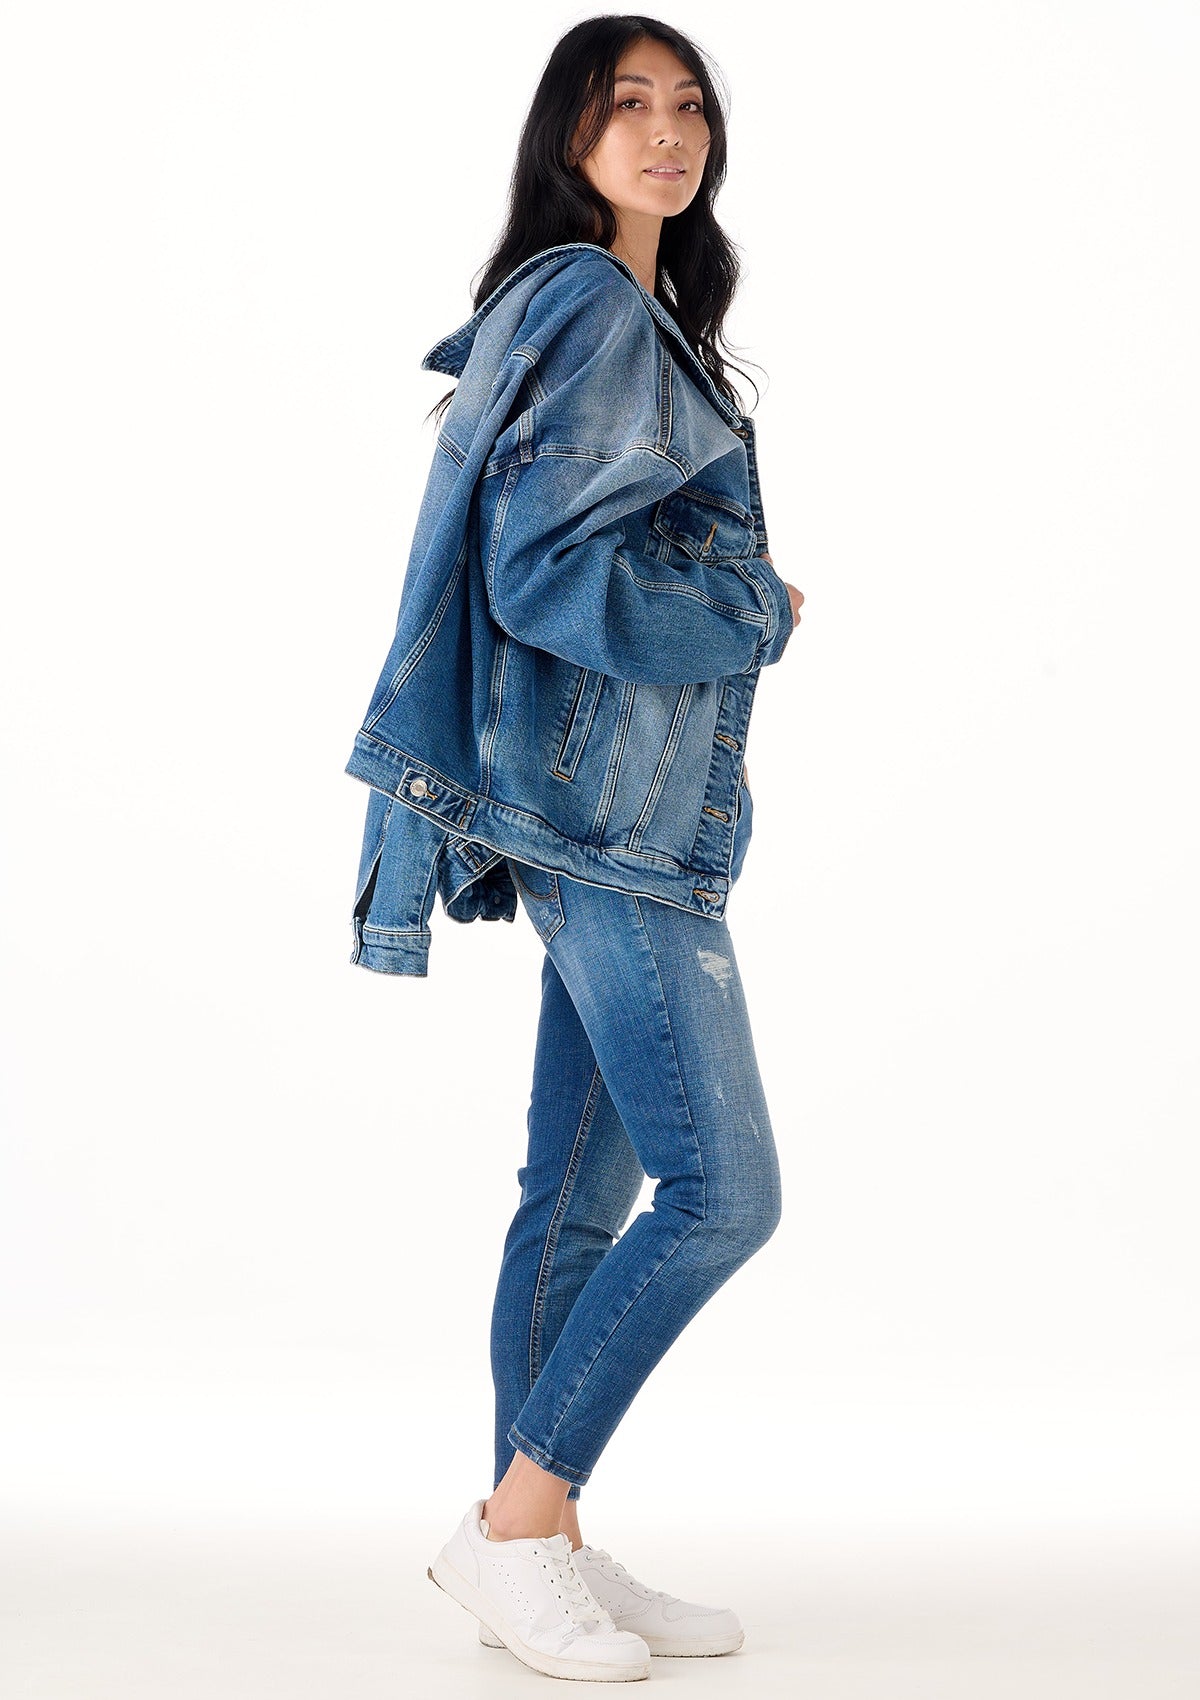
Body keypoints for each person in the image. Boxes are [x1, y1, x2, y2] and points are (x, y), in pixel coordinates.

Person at [344, 16, 804, 1683]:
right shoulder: (596, 304)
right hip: (611, 827)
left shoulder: (622, 311)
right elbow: (545, 574)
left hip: (605, 813)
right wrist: (752, 608)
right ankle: (517, 1527)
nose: (668, 133)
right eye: (629, 106)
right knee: (723, 1195)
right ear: (571, 135)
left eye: (691, 107)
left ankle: (537, 1543)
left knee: (578, 1200)